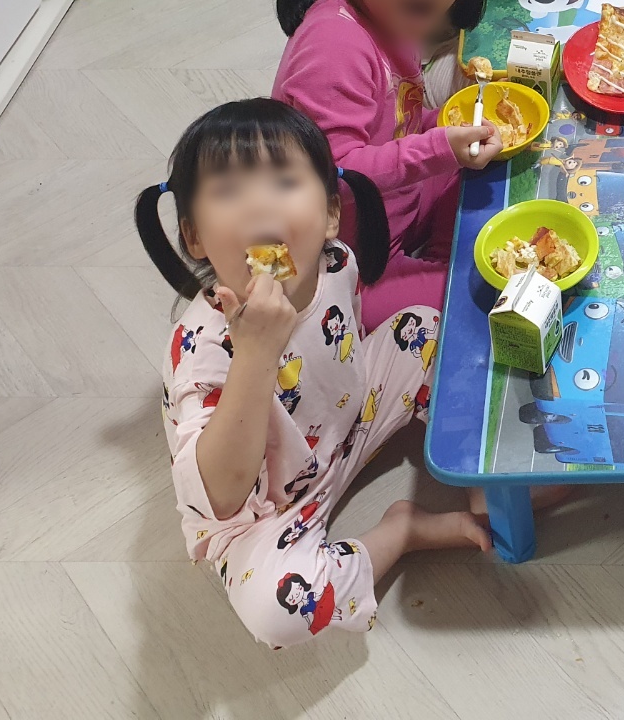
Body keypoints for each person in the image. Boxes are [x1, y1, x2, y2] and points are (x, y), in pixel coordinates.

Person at [135, 99, 490, 649]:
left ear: (329, 216)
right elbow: (220, 498)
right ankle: (402, 531)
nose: (259, 205)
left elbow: (347, 345)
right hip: (265, 505)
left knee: (426, 327)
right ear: (195, 236)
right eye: (227, 191)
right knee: (278, 613)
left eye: (283, 181)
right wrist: (255, 353)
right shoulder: (203, 350)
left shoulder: (335, 261)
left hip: (345, 424)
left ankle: (484, 470)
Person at [273, 0, 501, 332]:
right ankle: (434, 270)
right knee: (483, 291)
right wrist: (439, 146)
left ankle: (437, 256)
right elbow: (332, 175)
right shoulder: (333, 44)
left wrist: (444, 123)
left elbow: (399, 118)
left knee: (498, 173)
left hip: (399, 214)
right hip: (349, 268)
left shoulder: (389, 15)